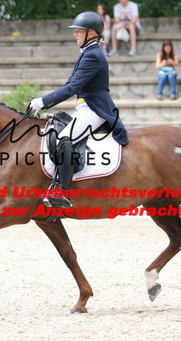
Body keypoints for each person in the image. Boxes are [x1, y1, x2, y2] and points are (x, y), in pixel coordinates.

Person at [28, 11, 128, 208]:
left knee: (64, 138)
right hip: (84, 107)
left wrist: (43, 102)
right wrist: (44, 102)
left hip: (95, 109)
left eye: (78, 31)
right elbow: (70, 84)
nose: (75, 34)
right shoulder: (87, 53)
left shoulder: (93, 56)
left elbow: (72, 88)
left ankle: (61, 193)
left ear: (91, 33)